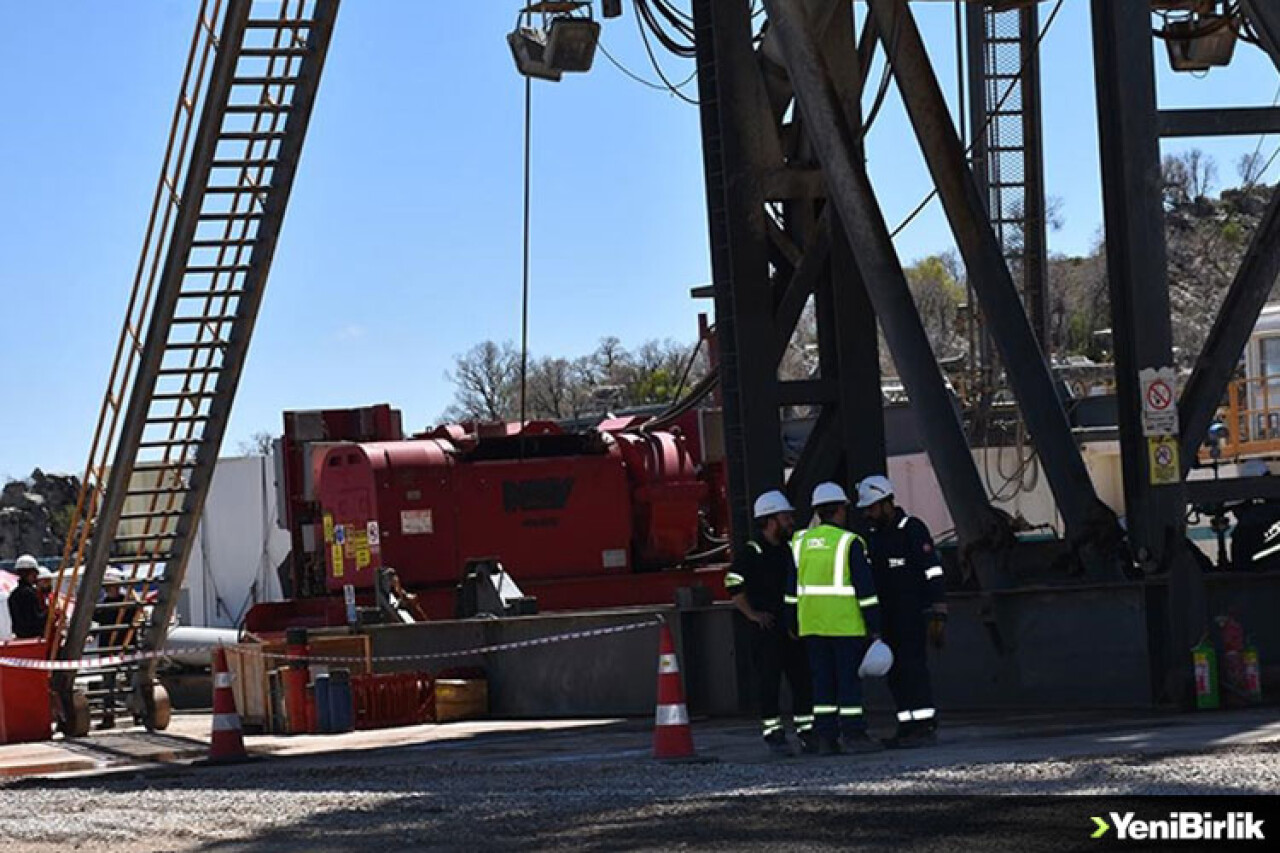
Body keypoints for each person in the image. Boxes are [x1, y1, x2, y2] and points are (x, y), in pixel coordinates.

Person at [788, 482, 882, 755]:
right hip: (845, 625)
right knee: (848, 682)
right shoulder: (849, 543)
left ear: (817, 510)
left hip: (812, 626)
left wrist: (792, 622)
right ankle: (854, 735)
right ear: (840, 510)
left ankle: (826, 738)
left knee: (822, 684)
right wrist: (874, 626)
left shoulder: (800, 542)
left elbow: (790, 590)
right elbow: (866, 592)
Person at [857, 475, 946, 747]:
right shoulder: (872, 537)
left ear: (886, 503)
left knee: (913, 669)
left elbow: (932, 571)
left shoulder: (912, 529)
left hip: (912, 614)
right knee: (895, 673)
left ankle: (925, 725)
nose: (868, 514)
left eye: (872, 508)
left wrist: (938, 611)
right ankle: (907, 726)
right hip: (887, 617)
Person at [725, 490, 815, 757]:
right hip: (766, 632)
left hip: (792, 629)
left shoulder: (789, 551)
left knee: (802, 681)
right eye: (785, 517)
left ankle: (806, 731)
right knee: (769, 683)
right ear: (770, 520)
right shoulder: (751, 553)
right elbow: (732, 583)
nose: (790, 521)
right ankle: (774, 734)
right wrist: (752, 614)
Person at [7, 554, 48, 639]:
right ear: (30, 573)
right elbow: (34, 620)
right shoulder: (29, 593)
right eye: (34, 574)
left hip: (20, 637)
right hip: (34, 638)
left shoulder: (13, 595)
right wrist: (49, 614)